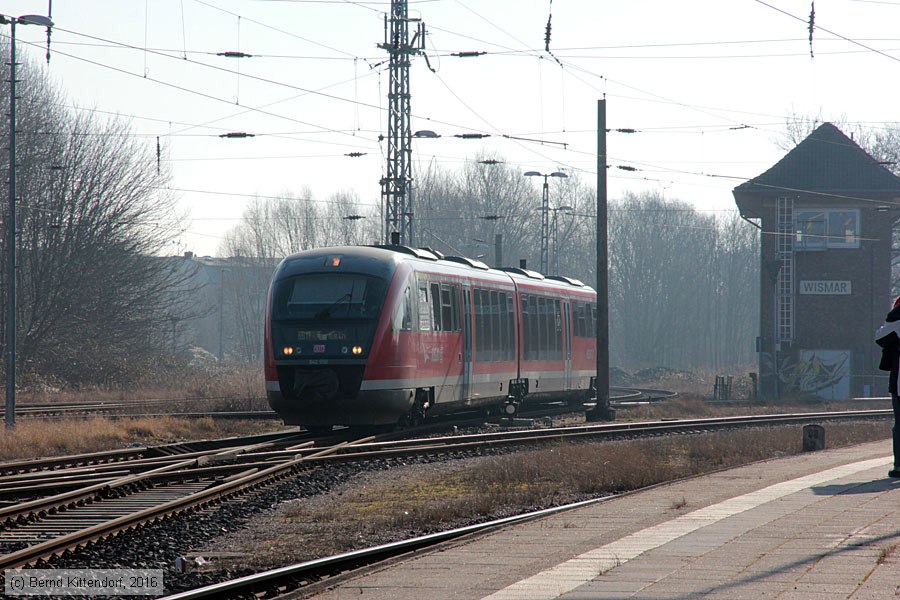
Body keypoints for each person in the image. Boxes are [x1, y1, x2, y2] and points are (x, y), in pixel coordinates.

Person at [874, 295, 900, 478]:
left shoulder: (897, 322)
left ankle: (899, 465)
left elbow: (880, 337)